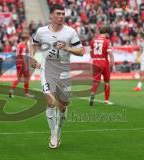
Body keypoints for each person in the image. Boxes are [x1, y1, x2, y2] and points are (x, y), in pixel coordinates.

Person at [29, 4, 84, 149]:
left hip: (64, 73)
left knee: (64, 106)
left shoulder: (70, 32)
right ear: (51, 15)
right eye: (58, 13)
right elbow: (33, 43)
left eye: (63, 14)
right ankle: (53, 134)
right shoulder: (41, 31)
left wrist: (66, 47)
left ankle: (59, 130)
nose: (61, 16)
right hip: (47, 70)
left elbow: (81, 51)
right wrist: (31, 57)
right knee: (50, 101)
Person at [89, 27, 114, 106]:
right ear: (106, 33)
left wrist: (95, 58)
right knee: (107, 82)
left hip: (95, 61)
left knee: (96, 81)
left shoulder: (93, 41)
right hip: (104, 62)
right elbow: (110, 54)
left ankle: (92, 93)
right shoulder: (107, 41)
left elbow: (91, 53)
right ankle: (106, 101)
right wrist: (112, 64)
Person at [9, 33, 34, 98]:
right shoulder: (23, 45)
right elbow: (23, 55)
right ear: (26, 39)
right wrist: (25, 65)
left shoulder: (19, 44)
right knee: (27, 78)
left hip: (18, 62)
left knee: (19, 78)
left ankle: (11, 89)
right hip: (23, 62)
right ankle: (26, 93)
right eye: (28, 39)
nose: (29, 40)